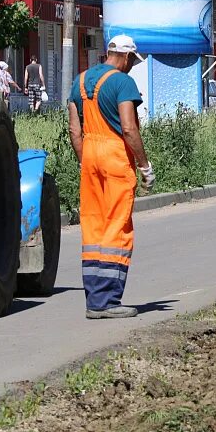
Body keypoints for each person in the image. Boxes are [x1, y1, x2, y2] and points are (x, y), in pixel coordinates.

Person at [67, 35, 156, 319]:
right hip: (115, 155)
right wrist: (144, 166)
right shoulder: (122, 82)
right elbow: (129, 128)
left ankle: (94, 299)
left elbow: (74, 130)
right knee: (117, 226)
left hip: (90, 155)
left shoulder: (79, 82)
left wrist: (87, 161)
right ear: (127, 57)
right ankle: (109, 301)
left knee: (93, 227)